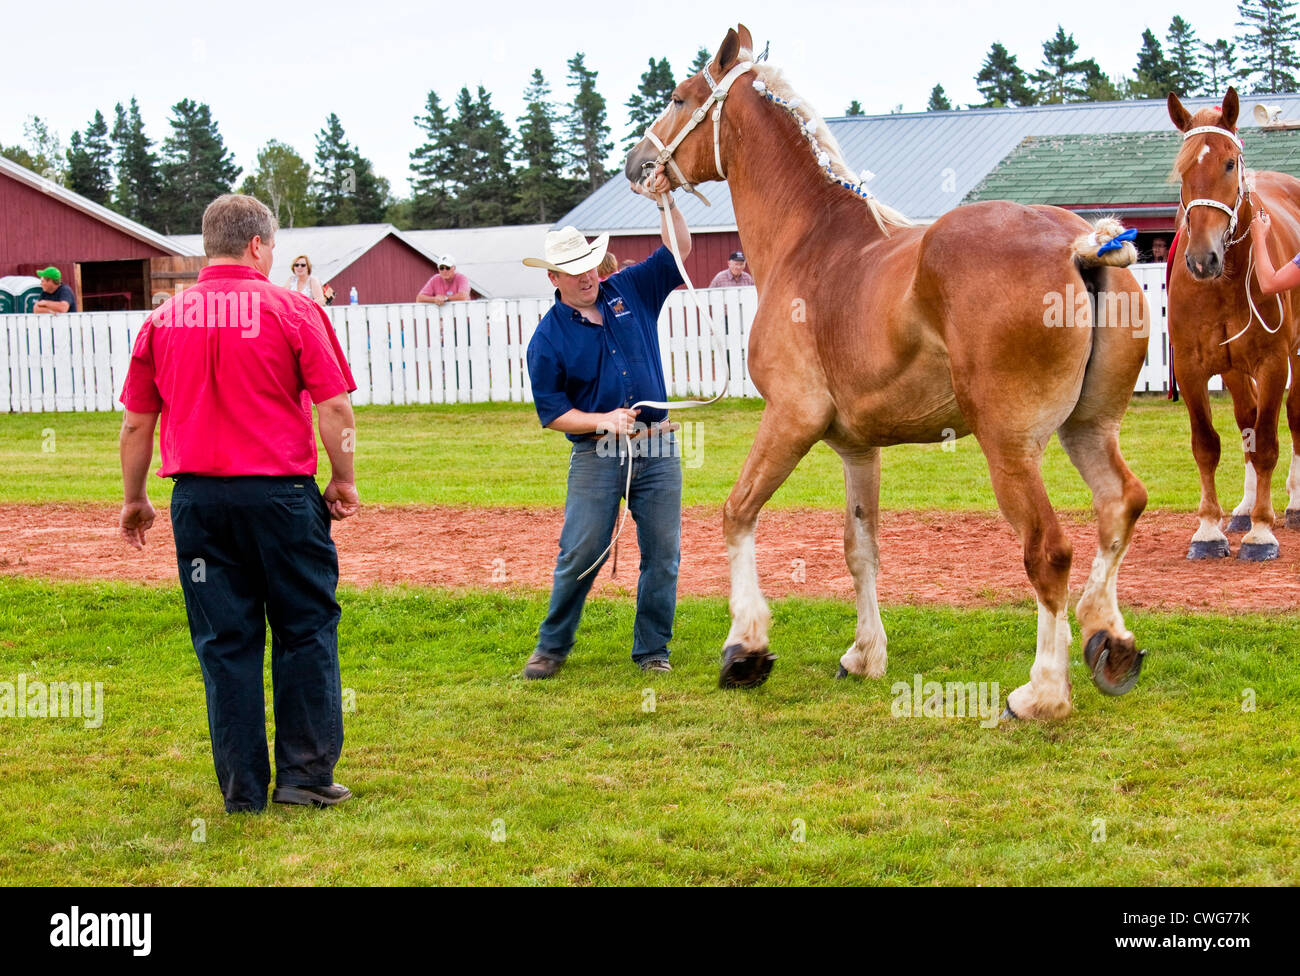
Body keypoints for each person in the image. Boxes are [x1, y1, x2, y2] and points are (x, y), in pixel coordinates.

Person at [118, 193, 360, 814]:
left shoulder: (164, 319)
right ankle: (305, 776)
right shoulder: (293, 310)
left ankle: (243, 790)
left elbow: (136, 425)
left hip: (197, 499)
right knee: (304, 629)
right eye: (273, 247)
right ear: (258, 245)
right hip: (279, 495)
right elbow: (332, 406)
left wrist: (135, 498)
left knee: (225, 641)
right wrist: (343, 478)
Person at [520, 163, 689, 679]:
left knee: (663, 555)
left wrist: (667, 203)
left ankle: (652, 650)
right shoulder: (547, 340)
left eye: (590, 263)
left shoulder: (631, 289)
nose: (588, 274)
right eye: (574, 269)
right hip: (596, 454)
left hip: (657, 447)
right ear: (554, 278)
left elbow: (678, 251)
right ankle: (552, 647)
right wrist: (601, 420)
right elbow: (554, 416)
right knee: (580, 552)